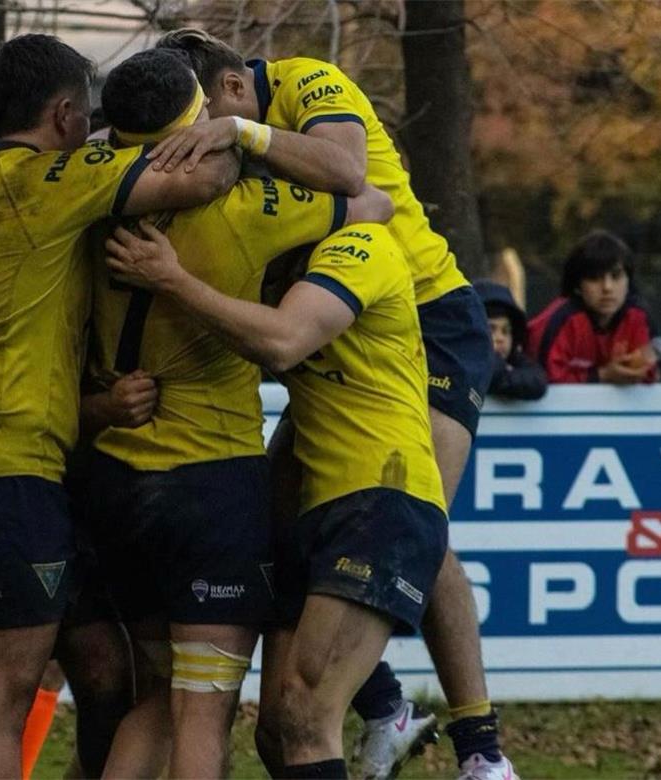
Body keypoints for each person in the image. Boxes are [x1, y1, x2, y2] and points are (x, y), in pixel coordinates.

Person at [153, 29, 509, 779]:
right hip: (333, 320)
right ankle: (383, 701)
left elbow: (351, 176)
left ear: (228, 89)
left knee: (413, 518)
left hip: (424, 312)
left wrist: (240, 133)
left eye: (201, 126)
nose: (199, 148)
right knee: (279, 526)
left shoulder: (302, 82)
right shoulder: (225, 148)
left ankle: (482, 754)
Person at [0, 34, 240, 779]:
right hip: (0, 477)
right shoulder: (54, 178)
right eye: (91, 116)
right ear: (66, 114)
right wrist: (227, 125)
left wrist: (97, 405)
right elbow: (203, 181)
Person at [80, 49, 393, 778]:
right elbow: (370, 200)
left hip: (111, 477)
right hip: (208, 481)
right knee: (201, 705)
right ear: (197, 115)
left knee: (153, 695)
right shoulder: (249, 206)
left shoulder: (86, 199)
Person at [107, 221, 450, 780]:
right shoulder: (280, 266)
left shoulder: (361, 243)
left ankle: (400, 714)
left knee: (306, 711)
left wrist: (172, 277)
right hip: (312, 511)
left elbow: (282, 341)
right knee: (277, 730)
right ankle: (389, 711)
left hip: (380, 495)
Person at [527, 231, 659, 386]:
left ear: (628, 281)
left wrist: (638, 371)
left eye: (616, 276)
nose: (607, 287)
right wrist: (603, 375)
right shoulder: (562, 320)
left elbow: (652, 374)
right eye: (594, 278)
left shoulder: (638, 316)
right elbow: (546, 382)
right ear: (577, 286)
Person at [475, 281, 547, 400]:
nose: (500, 338)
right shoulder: (456, 362)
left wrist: (501, 376)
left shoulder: (515, 359)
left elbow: (537, 380)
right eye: (491, 329)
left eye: (506, 331)